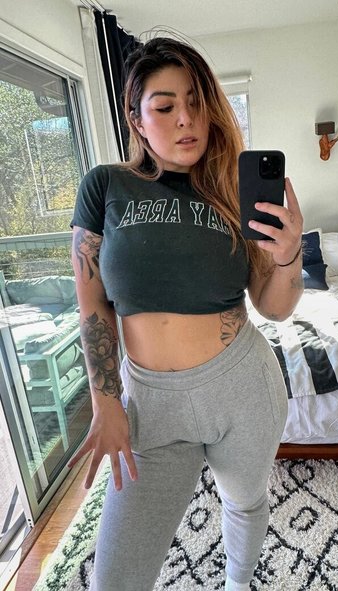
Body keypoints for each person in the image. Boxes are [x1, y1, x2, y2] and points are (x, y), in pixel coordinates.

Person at [69, 34, 304, 591]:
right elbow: (93, 303)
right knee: (115, 579)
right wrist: (105, 400)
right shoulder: (106, 186)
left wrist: (289, 254)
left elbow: (274, 307)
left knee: (244, 502)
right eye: (165, 106)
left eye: (196, 102)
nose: (186, 119)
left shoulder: (233, 191)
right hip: (152, 405)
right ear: (136, 119)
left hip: (242, 387)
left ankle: (238, 584)